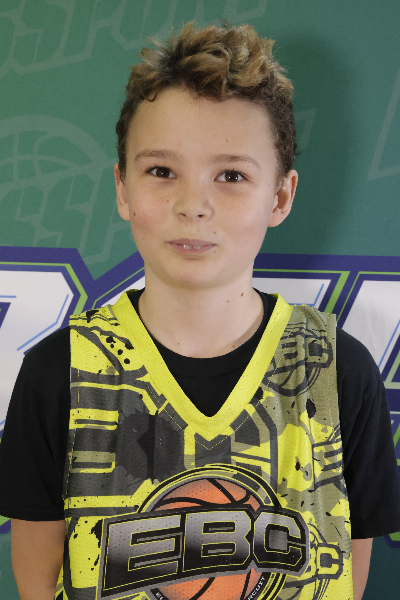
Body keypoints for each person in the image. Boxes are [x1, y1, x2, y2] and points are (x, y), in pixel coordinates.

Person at [0, 22, 399, 600]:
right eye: (162, 171)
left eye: (231, 175)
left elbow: (345, 577)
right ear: (123, 188)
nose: (193, 205)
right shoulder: (60, 373)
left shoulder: (339, 372)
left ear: (280, 196)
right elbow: (37, 582)